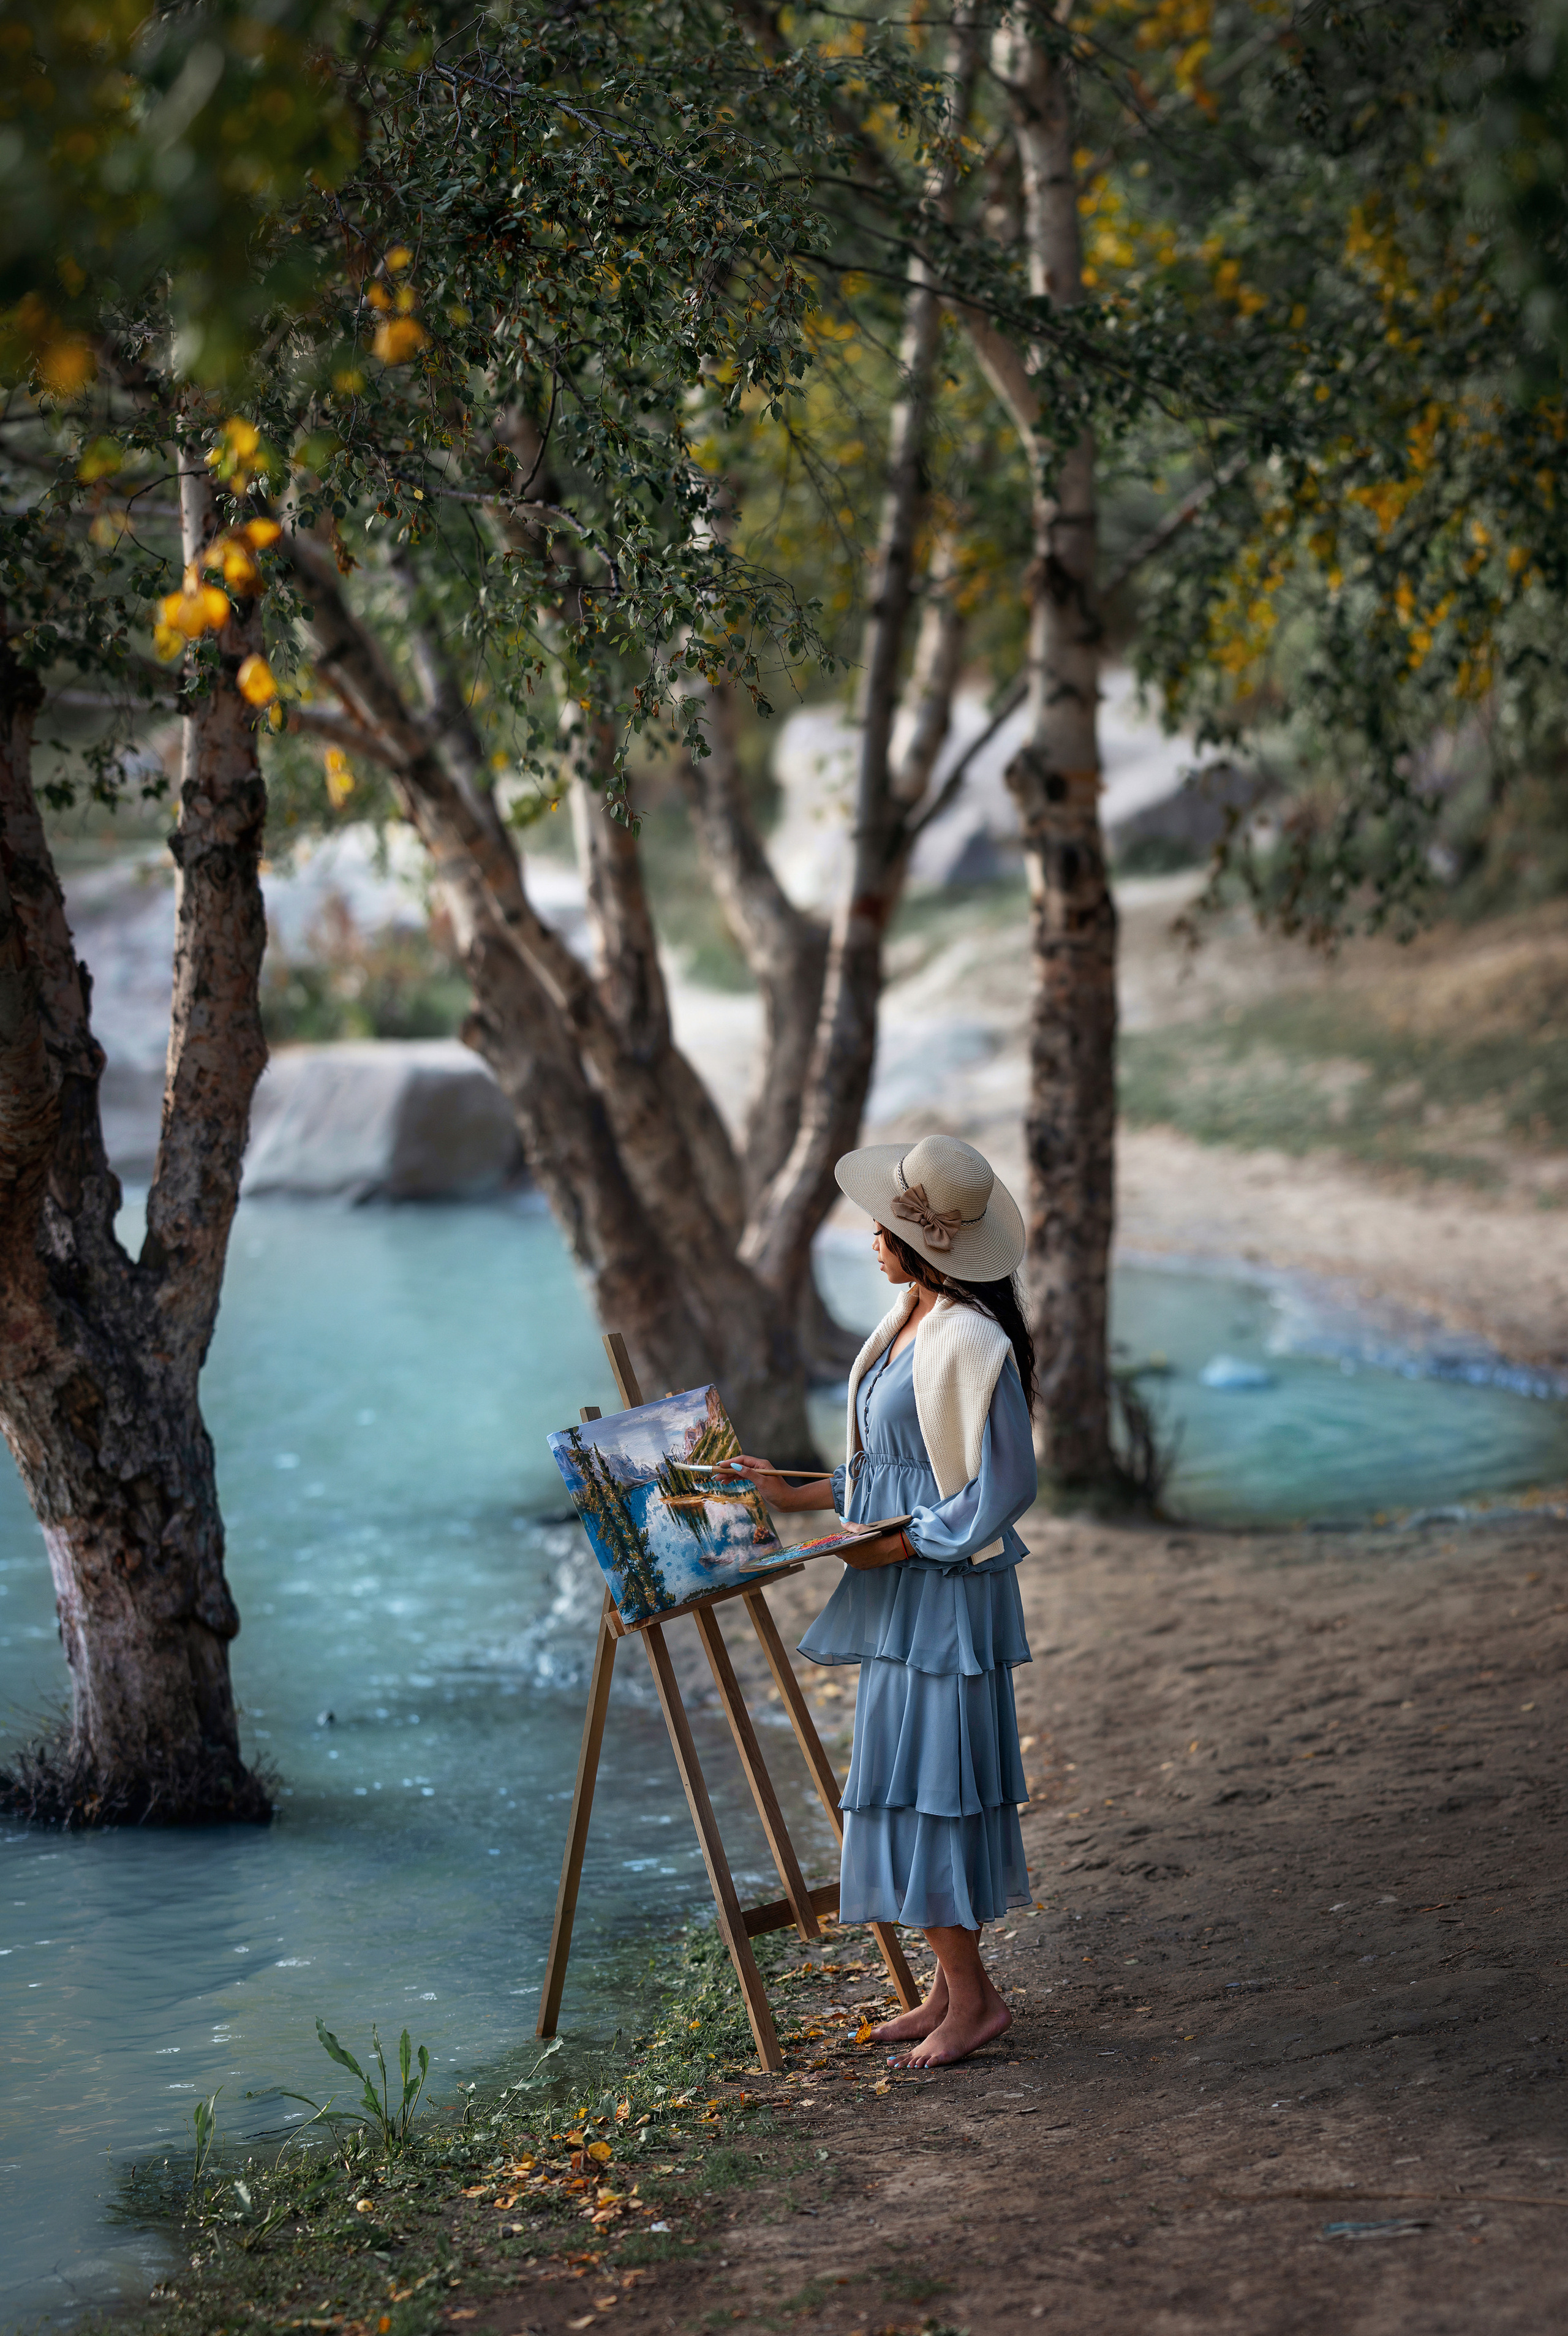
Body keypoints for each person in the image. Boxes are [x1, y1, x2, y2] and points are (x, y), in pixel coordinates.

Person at [725, 1133, 1037, 2068]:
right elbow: (895, 1468)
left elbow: (1005, 1484)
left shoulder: (972, 1340)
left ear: (926, 1244)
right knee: (913, 1785)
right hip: (907, 1589)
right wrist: (801, 1493)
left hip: (945, 1599)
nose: (870, 1237)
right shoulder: (909, 1318)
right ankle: (953, 1991)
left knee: (929, 1786)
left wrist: (913, 1543)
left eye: (884, 1226)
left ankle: (974, 2003)